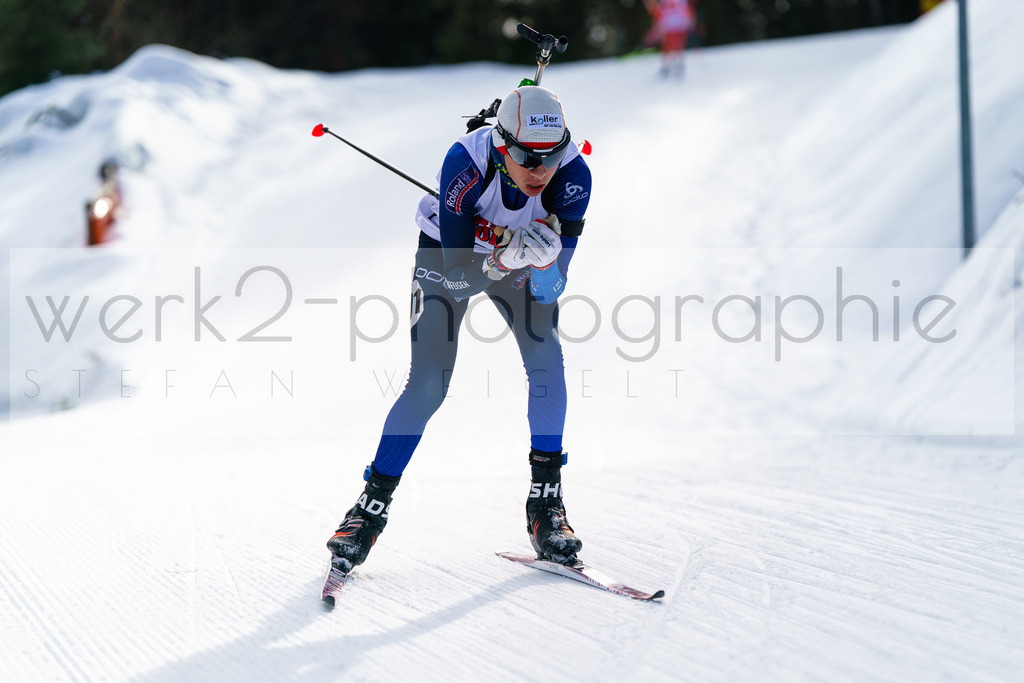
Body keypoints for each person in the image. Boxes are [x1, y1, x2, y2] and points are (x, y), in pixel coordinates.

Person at [327, 85, 592, 572]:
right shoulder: (464, 165)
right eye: (526, 158)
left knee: (547, 362)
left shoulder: (573, 176)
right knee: (428, 383)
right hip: (452, 257)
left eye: (550, 157)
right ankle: (368, 510)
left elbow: (551, 291)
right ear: (500, 144)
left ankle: (546, 508)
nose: (540, 172)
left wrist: (546, 263)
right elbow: (455, 274)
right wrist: (501, 259)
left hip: (515, 263)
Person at [646, 0, 695, 78]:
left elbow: (685, 10)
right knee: (667, 47)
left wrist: (688, 21)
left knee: (677, 46)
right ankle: (668, 66)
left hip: (677, 24)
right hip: (669, 25)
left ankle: (677, 65)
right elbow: (659, 11)